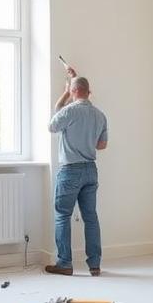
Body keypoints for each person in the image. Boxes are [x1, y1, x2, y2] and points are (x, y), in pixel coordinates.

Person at [45, 66, 108, 276]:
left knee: (63, 215)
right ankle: (95, 265)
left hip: (70, 170)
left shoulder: (69, 111)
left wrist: (64, 91)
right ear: (88, 92)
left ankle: (64, 263)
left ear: (73, 91)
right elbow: (101, 145)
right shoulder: (100, 115)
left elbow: (52, 126)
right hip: (91, 170)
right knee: (91, 217)